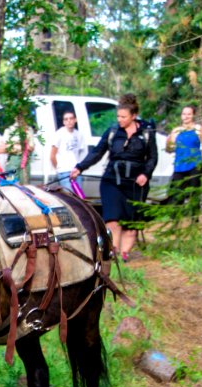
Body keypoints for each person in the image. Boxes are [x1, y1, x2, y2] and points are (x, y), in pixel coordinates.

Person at [71, 94, 157, 263]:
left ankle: (125, 255)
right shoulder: (112, 132)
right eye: (118, 116)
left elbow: (153, 157)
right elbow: (97, 152)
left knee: (130, 224)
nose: (120, 120)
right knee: (112, 219)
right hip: (112, 181)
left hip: (136, 184)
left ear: (133, 116)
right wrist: (80, 167)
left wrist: (145, 174)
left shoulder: (146, 133)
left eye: (123, 117)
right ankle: (113, 253)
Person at [165, 105, 202, 206]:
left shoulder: (199, 129)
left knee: (194, 193)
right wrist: (168, 142)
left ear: (193, 115)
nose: (186, 116)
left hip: (194, 165)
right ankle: (176, 218)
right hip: (179, 166)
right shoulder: (176, 131)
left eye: (189, 114)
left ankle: (194, 218)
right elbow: (169, 149)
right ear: (181, 116)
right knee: (177, 194)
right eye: (184, 114)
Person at [50, 111, 87, 195]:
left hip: (76, 171)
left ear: (75, 120)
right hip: (64, 171)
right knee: (69, 197)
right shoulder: (59, 134)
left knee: (79, 198)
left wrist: (79, 168)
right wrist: (59, 168)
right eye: (66, 119)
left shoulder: (79, 134)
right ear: (63, 122)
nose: (69, 121)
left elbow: (81, 153)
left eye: (71, 118)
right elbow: (52, 155)